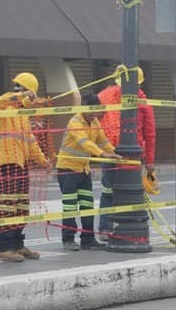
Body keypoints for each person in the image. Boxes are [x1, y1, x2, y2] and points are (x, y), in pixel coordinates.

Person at [0, 72, 52, 262]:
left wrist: (43, 161)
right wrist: (20, 96)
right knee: (8, 205)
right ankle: (5, 248)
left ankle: (18, 244)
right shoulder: (6, 105)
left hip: (21, 163)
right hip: (7, 162)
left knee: (21, 206)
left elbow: (30, 141)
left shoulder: (23, 115)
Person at [55, 93, 122, 251]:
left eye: (96, 111)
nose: (95, 115)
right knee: (70, 207)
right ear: (85, 109)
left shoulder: (94, 122)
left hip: (83, 169)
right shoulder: (75, 122)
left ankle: (88, 239)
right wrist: (102, 154)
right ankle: (68, 239)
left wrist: (114, 153)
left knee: (87, 205)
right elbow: (85, 143)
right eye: (93, 111)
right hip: (68, 170)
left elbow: (102, 140)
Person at [96, 66, 156, 239]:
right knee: (121, 192)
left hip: (119, 153)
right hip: (123, 154)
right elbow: (150, 134)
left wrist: (150, 161)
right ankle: (115, 228)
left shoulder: (106, 96)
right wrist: (150, 162)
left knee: (117, 191)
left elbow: (150, 134)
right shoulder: (111, 97)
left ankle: (109, 228)